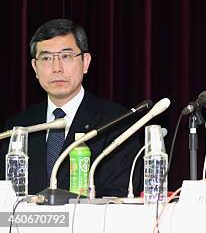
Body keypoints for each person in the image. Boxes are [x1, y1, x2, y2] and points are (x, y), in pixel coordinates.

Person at [0, 19, 141, 197]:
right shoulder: (19, 126)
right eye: (46, 58)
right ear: (35, 67)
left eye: (66, 57)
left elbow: (117, 195)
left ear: (85, 62)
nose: (56, 68)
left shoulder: (116, 122)